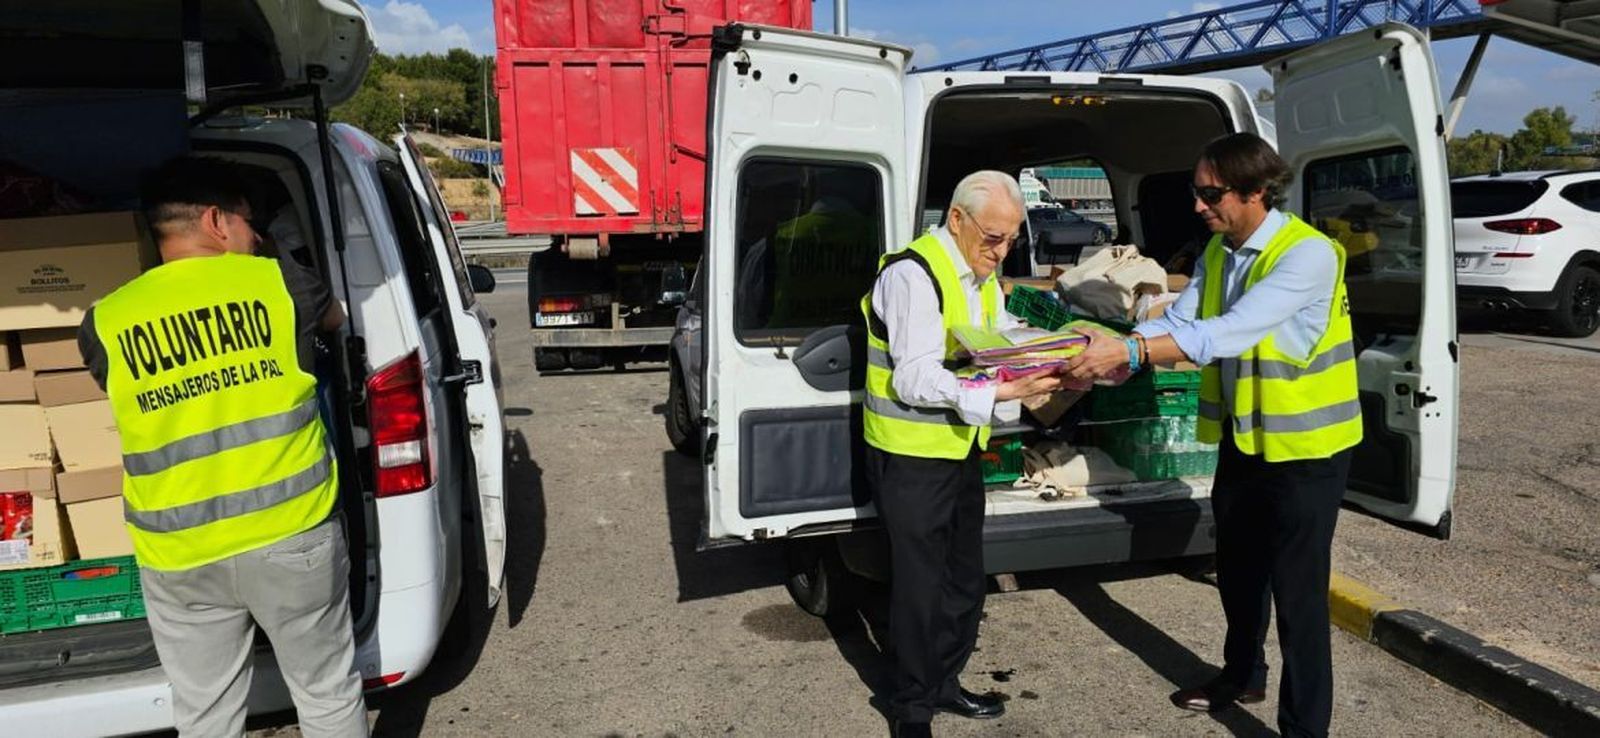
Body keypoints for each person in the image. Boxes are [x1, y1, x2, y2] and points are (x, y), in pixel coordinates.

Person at [1064, 133, 1361, 738]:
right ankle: (1241, 674)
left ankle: (1305, 728)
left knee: (1298, 593)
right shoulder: (1222, 250)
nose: (1199, 206)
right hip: (1247, 441)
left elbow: (1227, 333)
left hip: (1309, 449)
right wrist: (1122, 339)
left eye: (1211, 193)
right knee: (1239, 567)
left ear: (1256, 191)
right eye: (1196, 193)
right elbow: (1182, 320)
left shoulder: (1309, 254)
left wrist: (1134, 349)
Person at [77, 157, 366, 737]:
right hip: (292, 534)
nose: (255, 235)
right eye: (248, 222)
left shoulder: (103, 321)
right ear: (215, 221)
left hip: (180, 553)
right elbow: (335, 319)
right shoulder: (277, 284)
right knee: (327, 693)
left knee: (206, 713)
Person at [862, 170, 1064, 738]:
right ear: (956, 219)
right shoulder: (912, 275)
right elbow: (915, 379)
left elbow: (997, 336)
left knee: (963, 580)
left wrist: (1053, 355)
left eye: (1010, 240)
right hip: (909, 455)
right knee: (920, 587)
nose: (1001, 251)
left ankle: (943, 681)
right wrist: (1001, 391)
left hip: (958, 448)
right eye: (994, 237)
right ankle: (911, 710)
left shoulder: (982, 276)